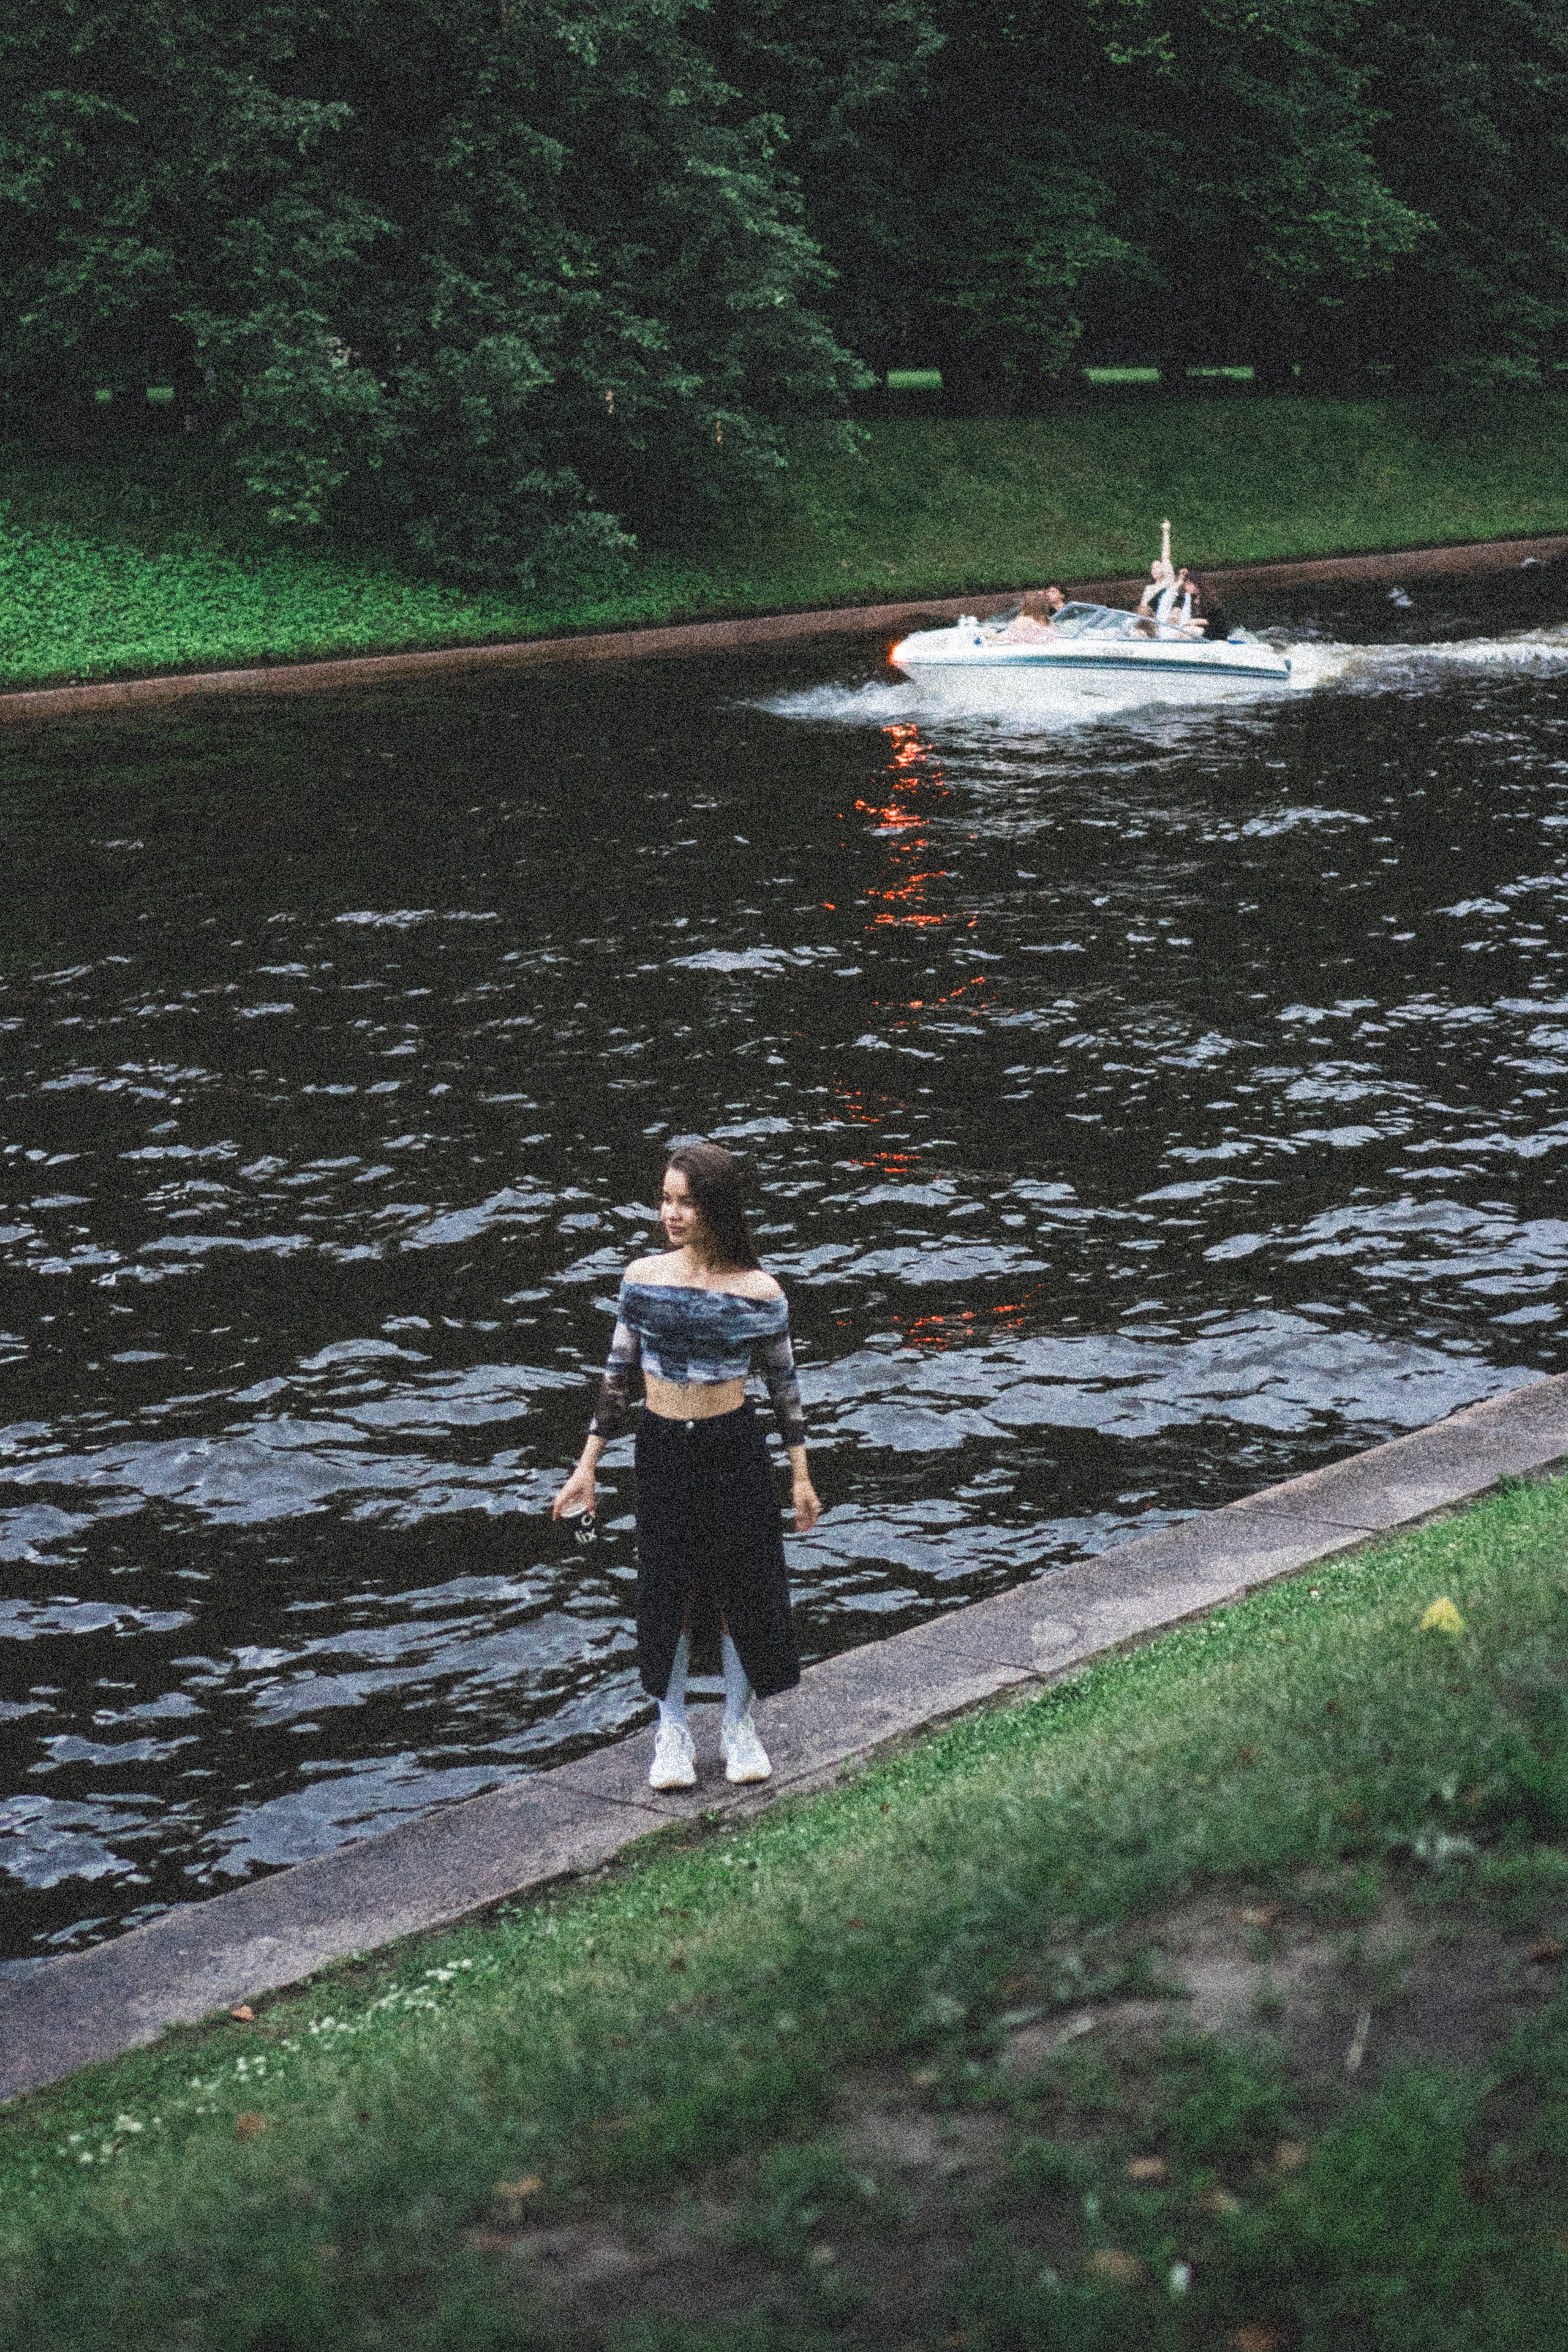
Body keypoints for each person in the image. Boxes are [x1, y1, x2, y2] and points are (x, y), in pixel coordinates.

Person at [552, 1139, 819, 1791]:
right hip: (663, 1445)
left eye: (687, 1203)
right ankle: (670, 1729)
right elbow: (617, 1377)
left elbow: (784, 1388)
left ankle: (737, 1724)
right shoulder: (643, 1279)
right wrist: (587, 1467)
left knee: (740, 1587)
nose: (671, 1213)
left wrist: (801, 1476)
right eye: (666, 1199)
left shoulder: (760, 1291)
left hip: (733, 1445)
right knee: (667, 1589)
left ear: (716, 1209)